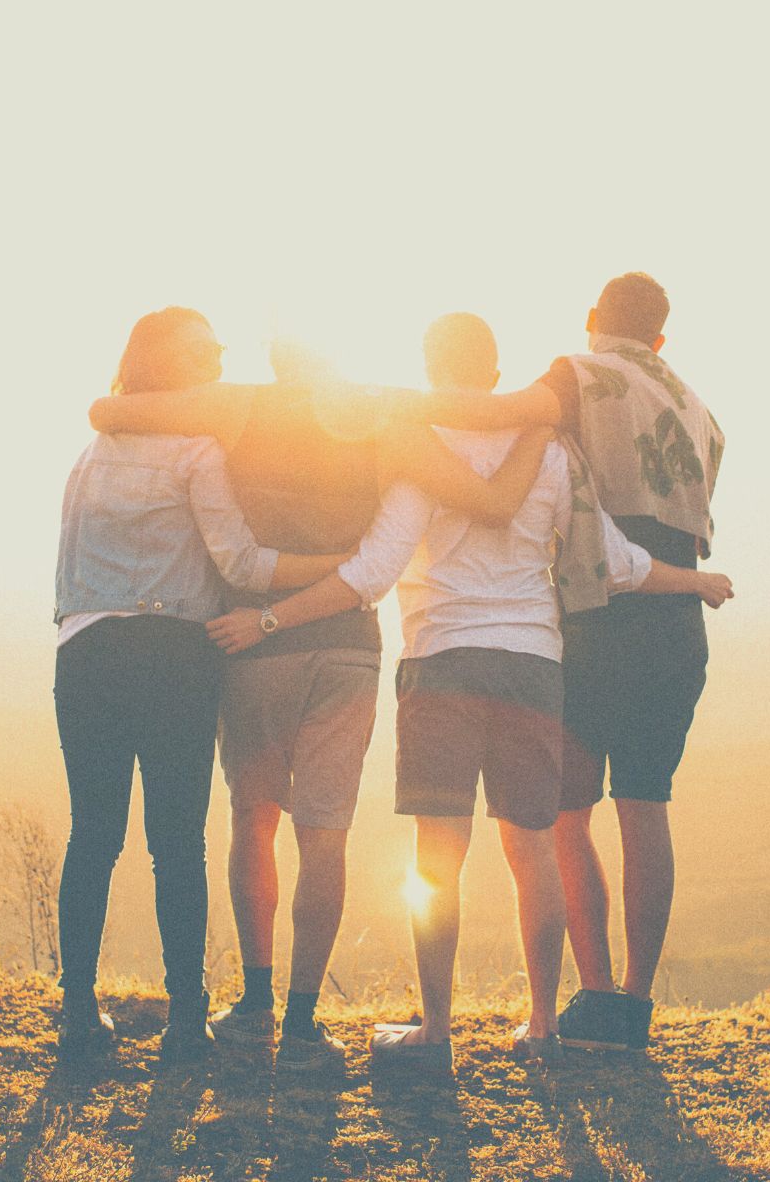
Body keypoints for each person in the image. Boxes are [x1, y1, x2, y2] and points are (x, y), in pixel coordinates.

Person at [207, 313, 733, 1072]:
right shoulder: (551, 452)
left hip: (442, 663)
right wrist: (697, 581)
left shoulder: (421, 449)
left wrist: (270, 618)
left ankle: (436, 1032)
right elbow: (616, 562)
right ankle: (544, 1025)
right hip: (533, 667)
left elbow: (372, 573)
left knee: (437, 860)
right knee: (533, 852)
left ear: (429, 370)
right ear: (495, 377)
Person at [89, 329, 551, 1071]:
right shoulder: (384, 423)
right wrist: (538, 419)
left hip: (255, 644)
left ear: (276, 356)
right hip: (346, 648)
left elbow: (109, 412)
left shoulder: (236, 409)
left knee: (254, 817)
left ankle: (254, 1004)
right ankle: (304, 1024)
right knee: (325, 833)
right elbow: (488, 500)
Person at [402, 274, 727, 1051]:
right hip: (676, 620)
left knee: (567, 816)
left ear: (592, 322)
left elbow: (494, 414)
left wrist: (383, 410)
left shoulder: (577, 375)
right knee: (647, 806)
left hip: (597, 618)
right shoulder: (698, 408)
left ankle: (593, 995)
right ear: (661, 337)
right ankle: (634, 1008)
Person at [53, 307, 354, 1060]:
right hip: (174, 656)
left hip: (84, 650)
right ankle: (187, 1019)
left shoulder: (91, 454)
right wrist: (340, 568)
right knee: (176, 843)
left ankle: (79, 1015)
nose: (220, 360)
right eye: (207, 352)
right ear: (177, 368)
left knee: (92, 836)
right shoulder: (196, 451)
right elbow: (244, 567)